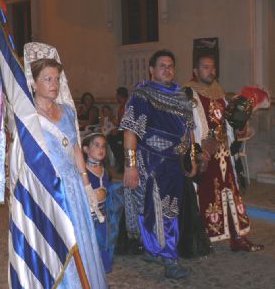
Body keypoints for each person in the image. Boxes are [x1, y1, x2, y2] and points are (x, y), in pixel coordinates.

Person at [24, 42, 108, 288]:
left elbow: (74, 149)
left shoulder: (68, 112)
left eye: (57, 78)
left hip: (73, 188)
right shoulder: (29, 119)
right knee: (58, 243)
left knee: (80, 240)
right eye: (47, 79)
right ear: (33, 83)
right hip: (49, 190)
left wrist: (87, 185)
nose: (54, 84)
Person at [120, 49, 197, 279]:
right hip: (152, 165)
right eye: (162, 65)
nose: (167, 69)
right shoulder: (143, 95)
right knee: (162, 212)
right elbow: (130, 130)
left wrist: (191, 158)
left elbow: (189, 131)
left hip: (175, 167)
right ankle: (169, 259)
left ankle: (158, 250)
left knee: (169, 211)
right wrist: (130, 165)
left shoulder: (181, 96)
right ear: (151, 70)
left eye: (171, 65)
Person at [184, 54, 264, 252]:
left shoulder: (219, 93)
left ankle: (238, 238)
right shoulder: (187, 93)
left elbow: (231, 126)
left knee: (231, 195)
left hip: (224, 154)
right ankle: (202, 240)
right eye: (205, 67)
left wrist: (241, 124)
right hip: (204, 156)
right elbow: (184, 129)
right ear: (196, 71)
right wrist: (196, 154)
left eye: (212, 67)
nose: (210, 71)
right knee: (202, 196)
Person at [82, 132, 118, 274]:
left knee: (104, 242)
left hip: (103, 214)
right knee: (91, 243)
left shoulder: (105, 170)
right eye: (96, 145)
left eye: (103, 146)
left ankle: (102, 270)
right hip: (89, 216)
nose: (101, 149)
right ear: (86, 149)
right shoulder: (83, 171)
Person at [107, 87, 128, 173]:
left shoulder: (128, 106)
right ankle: (120, 162)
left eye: (117, 95)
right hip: (122, 130)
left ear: (120, 96)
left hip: (129, 132)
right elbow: (120, 123)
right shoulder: (120, 107)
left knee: (115, 140)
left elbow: (128, 124)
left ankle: (123, 164)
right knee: (110, 137)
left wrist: (118, 130)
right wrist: (112, 118)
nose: (116, 97)